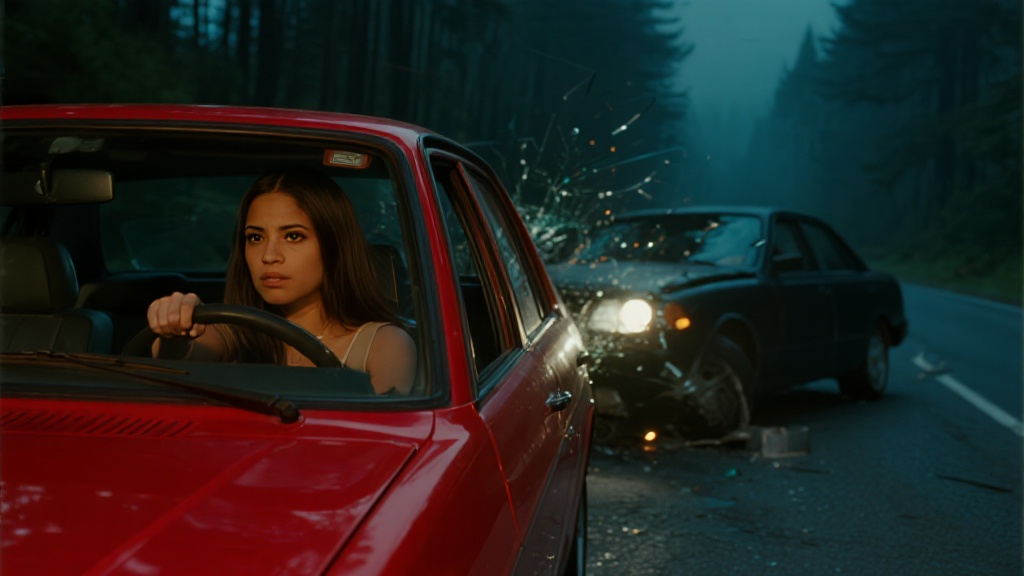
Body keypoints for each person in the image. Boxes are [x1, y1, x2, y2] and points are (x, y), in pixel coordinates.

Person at [147, 167, 416, 395]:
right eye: (255, 237)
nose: (269, 256)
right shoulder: (237, 331)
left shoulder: (384, 344)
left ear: (334, 246)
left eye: (293, 236)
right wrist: (175, 325)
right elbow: (180, 357)